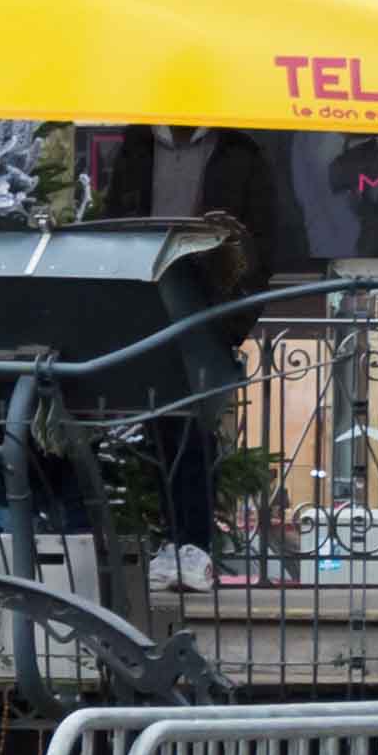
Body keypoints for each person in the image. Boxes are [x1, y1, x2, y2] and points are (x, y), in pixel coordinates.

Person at [96, 125, 301, 587]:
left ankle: (193, 545)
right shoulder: (138, 144)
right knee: (161, 431)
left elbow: (261, 245)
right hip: (143, 303)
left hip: (206, 310)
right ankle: (172, 545)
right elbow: (113, 221)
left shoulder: (239, 151)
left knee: (193, 427)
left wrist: (232, 321)